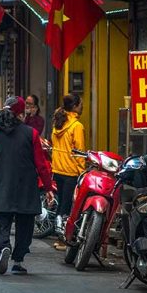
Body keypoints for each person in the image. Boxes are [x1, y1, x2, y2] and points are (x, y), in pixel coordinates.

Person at [0, 96, 54, 276]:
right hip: (26, 185)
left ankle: (4, 245)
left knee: (3, 219)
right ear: (21, 114)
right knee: (25, 222)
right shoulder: (31, 133)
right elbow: (41, 164)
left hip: (3, 182)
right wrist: (49, 187)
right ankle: (18, 260)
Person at [50, 93, 86, 251]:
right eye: (81, 104)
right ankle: (63, 240)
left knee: (61, 206)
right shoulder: (76, 126)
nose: (82, 106)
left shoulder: (59, 121)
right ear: (75, 106)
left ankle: (59, 238)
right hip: (70, 171)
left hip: (57, 169)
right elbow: (79, 152)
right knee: (67, 207)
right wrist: (82, 171)